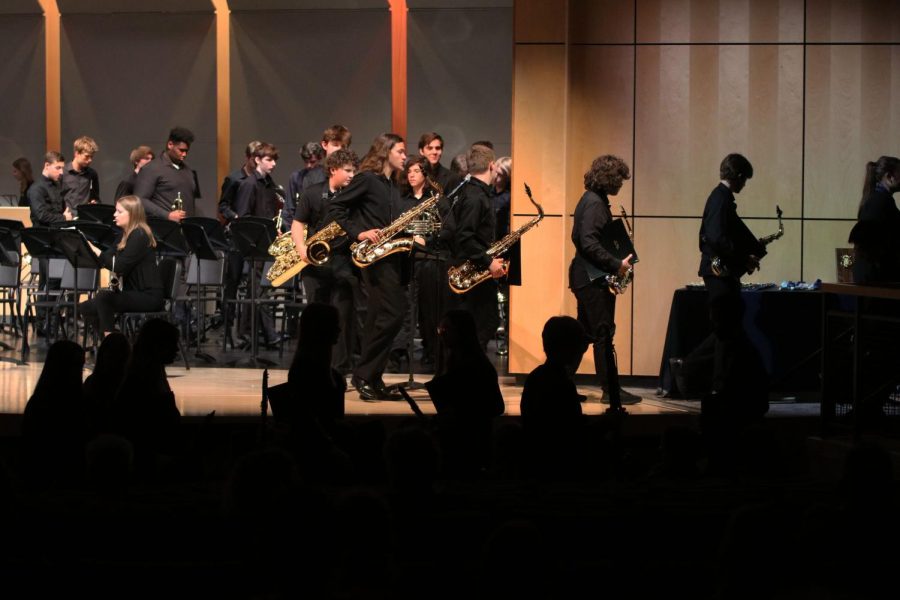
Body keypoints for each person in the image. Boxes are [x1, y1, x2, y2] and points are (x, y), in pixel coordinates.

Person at [328, 133, 408, 401]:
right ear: (386, 152)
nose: (404, 156)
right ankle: (364, 373)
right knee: (394, 313)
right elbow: (336, 206)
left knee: (379, 317)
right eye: (400, 151)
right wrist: (359, 232)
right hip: (373, 257)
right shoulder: (367, 180)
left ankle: (372, 377)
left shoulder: (392, 186)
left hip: (391, 256)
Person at [569, 154, 640, 411]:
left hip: (586, 276)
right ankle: (610, 391)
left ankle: (562, 384)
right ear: (609, 178)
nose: (621, 183)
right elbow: (587, 242)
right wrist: (616, 264)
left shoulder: (591, 199)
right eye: (619, 178)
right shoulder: (595, 204)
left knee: (584, 335)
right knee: (602, 333)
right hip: (591, 278)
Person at [292, 148, 359, 373]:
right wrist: (301, 248)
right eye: (347, 170)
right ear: (333, 170)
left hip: (344, 261)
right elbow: (298, 223)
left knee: (343, 317)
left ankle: (339, 369)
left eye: (354, 171)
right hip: (314, 263)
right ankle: (312, 367)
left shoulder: (355, 195)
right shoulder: (312, 192)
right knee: (314, 317)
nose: (352, 175)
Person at [425, 309, 504, 477]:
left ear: (460, 332)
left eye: (445, 331)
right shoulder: (461, 362)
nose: (441, 335)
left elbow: (496, 406)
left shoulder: (474, 366)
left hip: (471, 441)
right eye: (440, 330)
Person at [443, 144, 506, 349]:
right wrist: (488, 262)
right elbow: (465, 236)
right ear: (492, 165)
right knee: (483, 325)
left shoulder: (471, 192)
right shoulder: (475, 197)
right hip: (472, 270)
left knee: (481, 325)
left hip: (474, 267)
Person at [79, 195, 164, 336]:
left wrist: (95, 250)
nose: (114, 214)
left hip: (149, 295)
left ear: (132, 214)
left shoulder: (139, 235)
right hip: (133, 293)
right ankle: (111, 340)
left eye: (119, 211)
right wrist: (87, 249)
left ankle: (111, 343)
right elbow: (107, 258)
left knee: (104, 297)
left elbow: (118, 266)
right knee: (86, 307)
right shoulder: (123, 235)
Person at [520, 316, 591, 478]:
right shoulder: (561, 383)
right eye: (579, 346)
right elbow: (569, 436)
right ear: (569, 348)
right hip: (556, 470)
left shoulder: (536, 377)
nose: (581, 352)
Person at [232, 142, 283, 347]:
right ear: (257, 160)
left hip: (267, 243)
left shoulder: (269, 185)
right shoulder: (249, 184)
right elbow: (243, 218)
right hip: (255, 245)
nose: (273, 164)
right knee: (256, 291)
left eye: (274, 160)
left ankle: (249, 333)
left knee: (258, 291)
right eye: (269, 160)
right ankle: (262, 335)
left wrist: (275, 229)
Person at [283, 125, 352, 230]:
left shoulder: (352, 176)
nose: (340, 150)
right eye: (336, 145)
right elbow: (298, 214)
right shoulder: (311, 177)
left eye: (343, 146)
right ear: (324, 145)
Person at [848, 156, 900, 284]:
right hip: (876, 278)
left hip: (869, 275)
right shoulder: (881, 202)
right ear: (889, 177)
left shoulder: (876, 200)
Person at [133, 126, 199, 221]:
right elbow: (139, 200)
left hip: (187, 228)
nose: (184, 154)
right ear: (170, 144)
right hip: (163, 228)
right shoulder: (152, 168)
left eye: (186, 151)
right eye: (181, 150)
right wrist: (167, 215)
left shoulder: (188, 170)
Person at [28, 151, 72, 227]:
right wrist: (64, 218)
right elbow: (41, 215)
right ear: (47, 165)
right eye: (58, 168)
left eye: (62, 168)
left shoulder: (58, 185)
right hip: (43, 235)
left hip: (57, 232)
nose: (61, 172)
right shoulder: (36, 189)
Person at [60, 135, 100, 213]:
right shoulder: (63, 173)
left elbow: (96, 197)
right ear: (77, 154)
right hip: (68, 218)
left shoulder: (92, 174)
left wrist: (94, 202)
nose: (90, 160)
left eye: (92, 157)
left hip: (85, 217)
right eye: (87, 156)